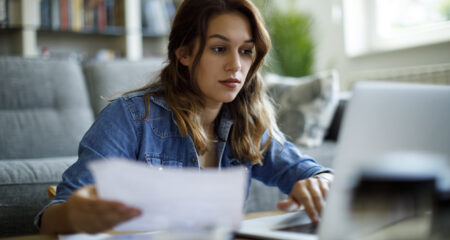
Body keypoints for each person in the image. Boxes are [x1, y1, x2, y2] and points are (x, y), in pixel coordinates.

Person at [37, 0, 333, 234]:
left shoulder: (247, 122)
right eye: (219, 49)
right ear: (184, 54)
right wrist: (75, 214)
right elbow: (52, 217)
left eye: (246, 51)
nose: (236, 65)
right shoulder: (130, 117)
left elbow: (311, 172)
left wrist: (320, 180)